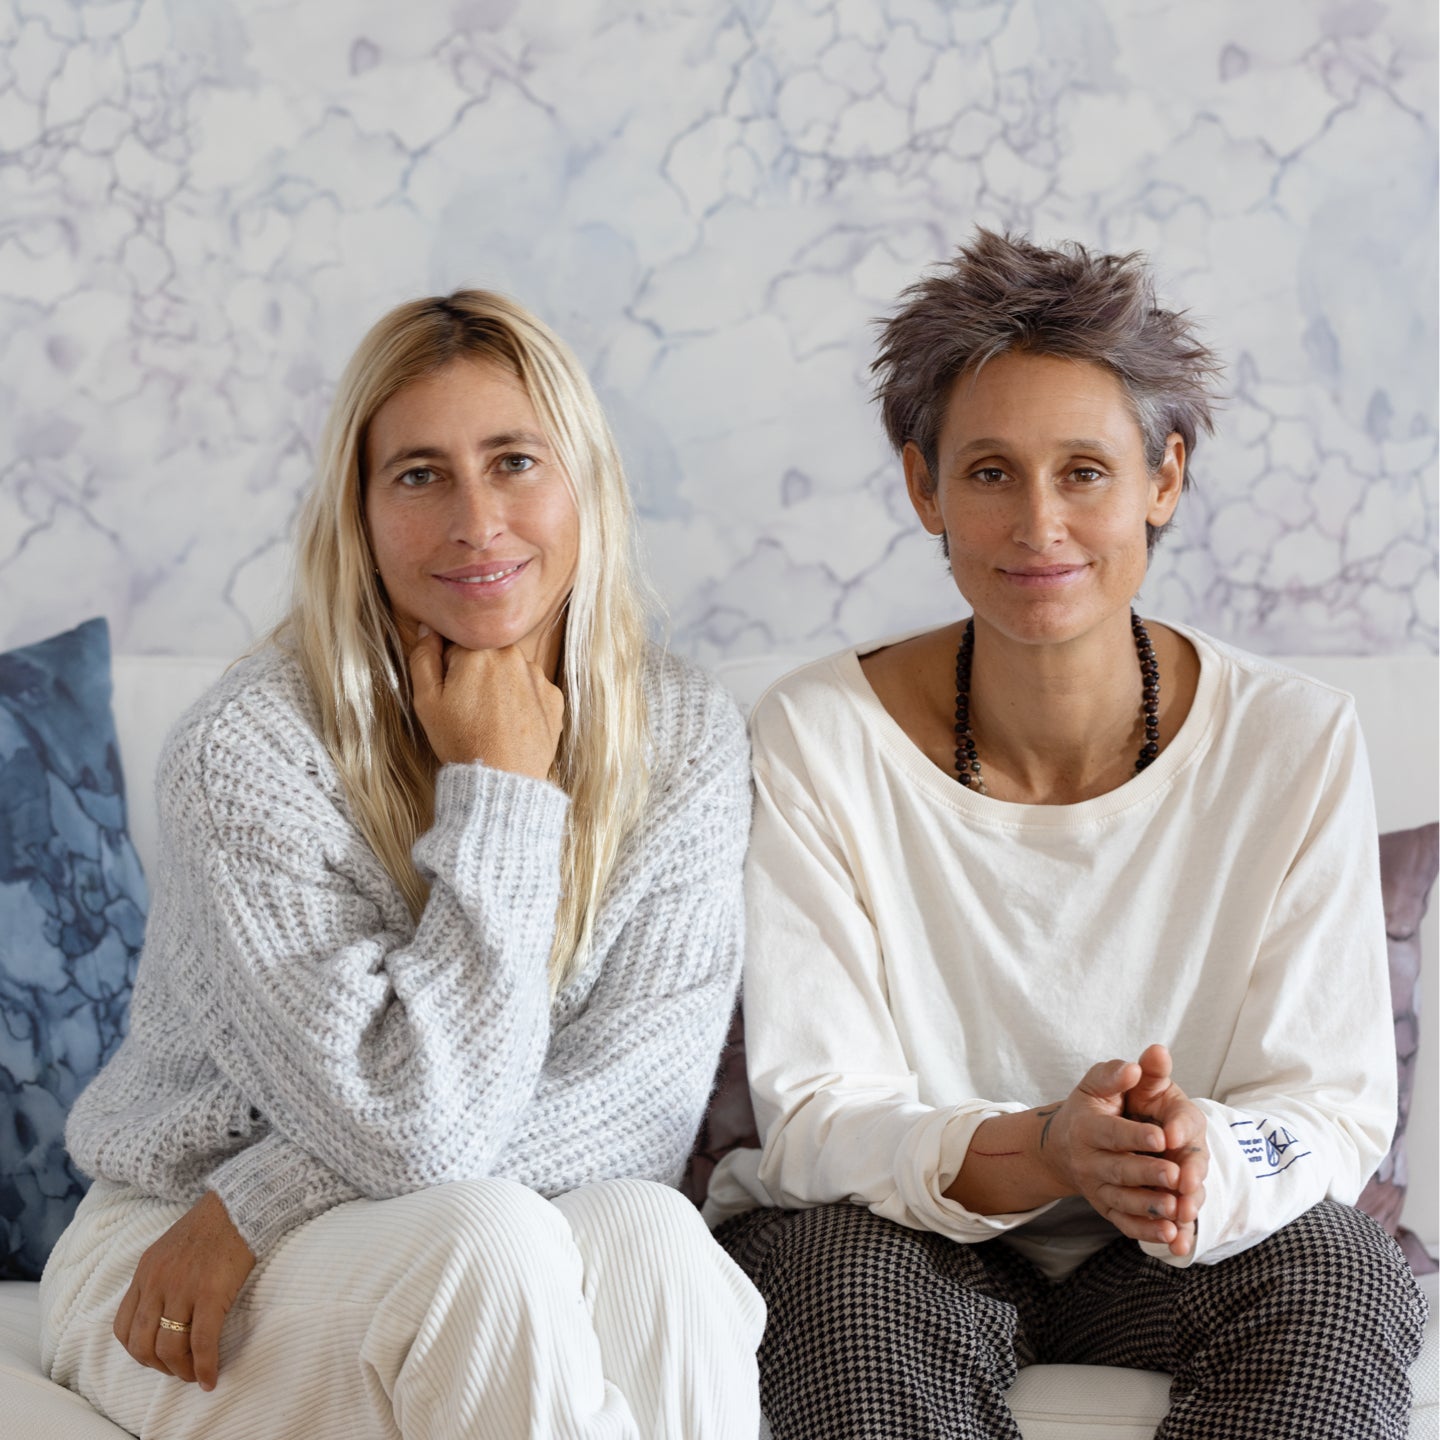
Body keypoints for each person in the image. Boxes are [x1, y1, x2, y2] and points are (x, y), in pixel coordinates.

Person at [705, 230, 1427, 1439]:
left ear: (1165, 478)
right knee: (832, 1279)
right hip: (895, 1242)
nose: (1040, 524)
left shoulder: (1293, 740)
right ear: (923, 487)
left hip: (1172, 1256)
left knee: (1345, 1277)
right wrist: (1045, 1150)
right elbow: (819, 1114)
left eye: (1083, 470)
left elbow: (1332, 1102)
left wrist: (1209, 1151)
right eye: (989, 472)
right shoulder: (818, 734)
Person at [39, 290, 765, 1439]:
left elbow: (636, 1117)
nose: (478, 520)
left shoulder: (680, 737)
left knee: (653, 1232)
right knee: (490, 1237)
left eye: (516, 461)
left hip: (257, 1220)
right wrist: (506, 791)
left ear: (585, 485)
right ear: (361, 512)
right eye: (420, 475)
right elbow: (409, 1131)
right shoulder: (249, 752)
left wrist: (263, 1200)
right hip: (170, 1251)